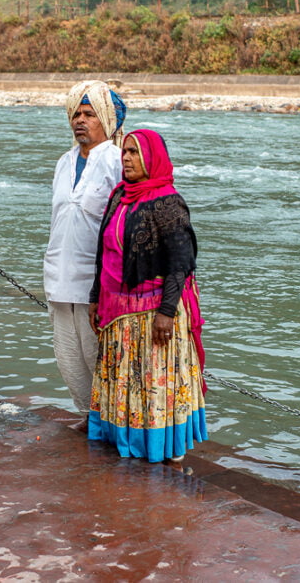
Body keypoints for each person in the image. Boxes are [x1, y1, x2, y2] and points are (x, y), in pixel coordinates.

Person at [87, 129, 207, 463]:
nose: (126, 158)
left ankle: (161, 447)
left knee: (152, 382)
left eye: (134, 153)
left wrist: (166, 312)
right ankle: (122, 438)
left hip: (153, 314)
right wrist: (95, 296)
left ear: (152, 159)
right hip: (116, 308)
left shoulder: (167, 202)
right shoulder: (119, 195)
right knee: (125, 379)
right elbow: (103, 252)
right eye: (125, 152)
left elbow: (180, 262)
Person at [44, 81, 127, 429]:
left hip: (97, 281)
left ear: (106, 119)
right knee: (68, 357)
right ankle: (89, 415)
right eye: (76, 114)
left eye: (89, 114)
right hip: (58, 276)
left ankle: (114, 419)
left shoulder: (117, 160)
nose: (80, 120)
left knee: (100, 355)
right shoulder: (64, 162)